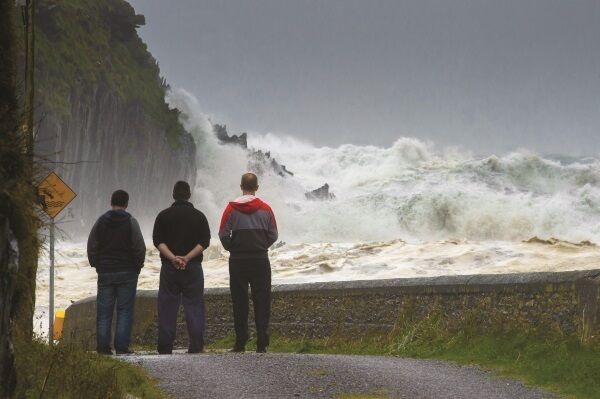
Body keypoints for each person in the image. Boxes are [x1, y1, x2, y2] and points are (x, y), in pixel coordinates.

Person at [219, 172, 278, 353]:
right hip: (260, 259)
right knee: (262, 300)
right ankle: (261, 342)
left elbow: (222, 234)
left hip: (238, 261)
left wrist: (233, 247)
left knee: (240, 301)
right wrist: (261, 246)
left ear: (241, 187)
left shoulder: (231, 208)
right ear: (257, 188)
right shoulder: (266, 209)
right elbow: (274, 234)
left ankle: (240, 343)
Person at [152, 181, 211, 354]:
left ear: (173, 195)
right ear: (189, 195)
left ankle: (165, 346)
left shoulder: (163, 216)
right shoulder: (199, 216)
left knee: (167, 306)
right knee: (194, 305)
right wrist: (187, 257)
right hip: (192, 267)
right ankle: (196, 345)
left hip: (169, 268)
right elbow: (204, 242)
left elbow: (158, 241)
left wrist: (173, 258)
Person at [87, 189, 146, 355]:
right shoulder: (131, 222)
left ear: (111, 202)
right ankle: (121, 348)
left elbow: (92, 245)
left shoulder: (101, 221)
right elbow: (139, 247)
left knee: (104, 312)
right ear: (126, 204)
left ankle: (103, 348)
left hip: (105, 271)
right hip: (127, 272)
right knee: (124, 311)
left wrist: (96, 264)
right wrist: (137, 266)